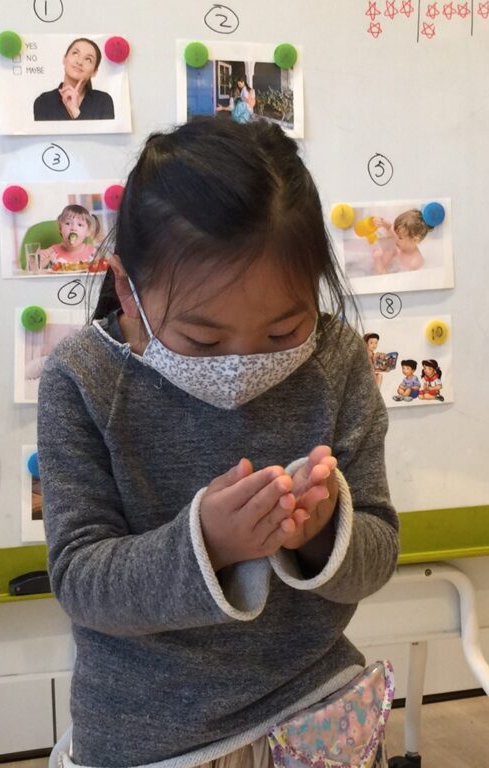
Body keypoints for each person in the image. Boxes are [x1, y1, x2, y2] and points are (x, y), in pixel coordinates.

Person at [38, 118, 399, 767]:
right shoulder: (82, 379)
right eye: (202, 339)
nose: (240, 362)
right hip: (154, 742)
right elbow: (80, 579)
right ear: (126, 289)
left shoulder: (338, 358)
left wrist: (323, 533)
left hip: (314, 712)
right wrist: (209, 543)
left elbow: (378, 554)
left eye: (283, 330)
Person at [34, 38, 115, 121]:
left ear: (94, 72)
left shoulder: (103, 102)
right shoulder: (43, 102)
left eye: (88, 59)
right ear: (64, 59)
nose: (79, 62)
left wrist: (75, 111)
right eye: (75, 53)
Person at [36, 205, 97, 271]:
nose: (73, 228)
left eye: (80, 225)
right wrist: (39, 260)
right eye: (68, 223)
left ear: (88, 231)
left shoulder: (94, 252)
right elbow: (34, 270)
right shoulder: (52, 251)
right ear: (60, 228)